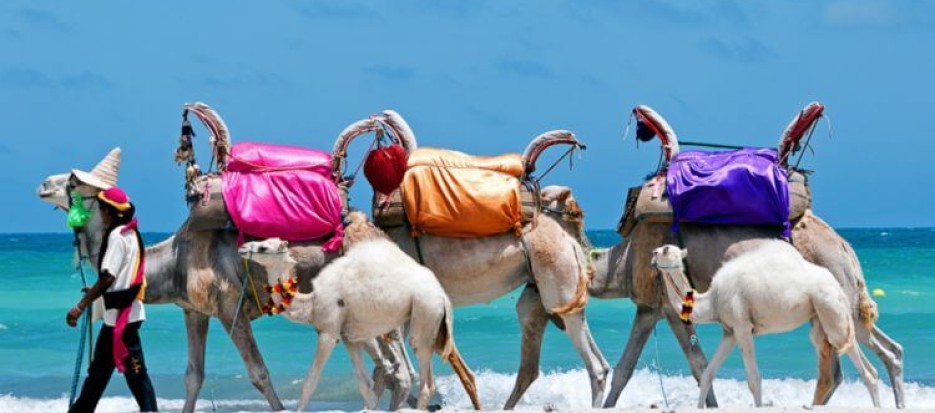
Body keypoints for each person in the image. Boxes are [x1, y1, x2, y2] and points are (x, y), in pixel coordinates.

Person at [65, 187, 157, 413]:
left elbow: (108, 277)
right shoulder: (132, 233)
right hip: (121, 317)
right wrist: (96, 290)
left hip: (122, 320)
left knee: (137, 377)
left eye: (102, 210)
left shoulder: (117, 237)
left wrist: (81, 305)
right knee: (98, 375)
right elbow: (120, 278)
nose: (100, 214)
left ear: (111, 212)